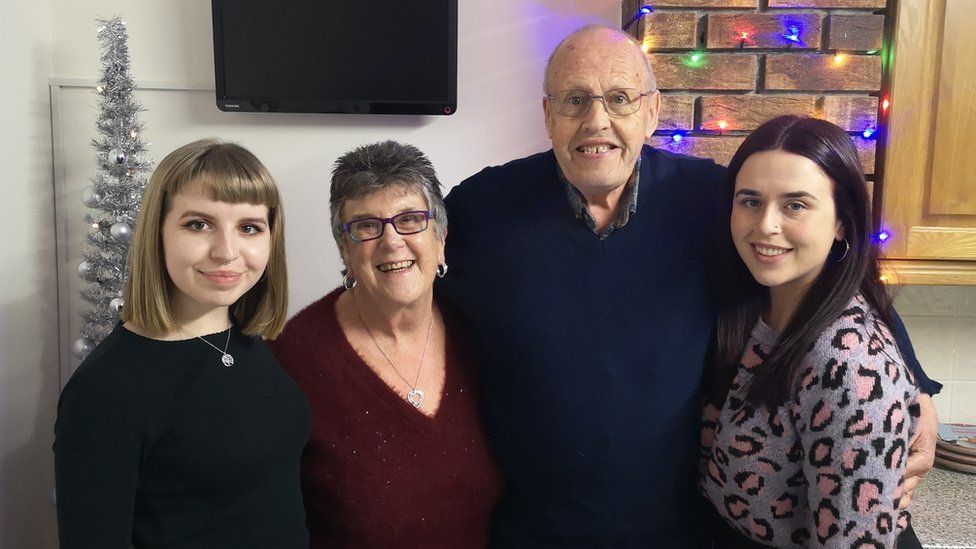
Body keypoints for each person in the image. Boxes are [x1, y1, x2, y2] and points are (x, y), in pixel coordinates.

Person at [439, 25, 940, 548]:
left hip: (684, 531)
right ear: (548, 114)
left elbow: (832, 277)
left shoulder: (709, 199)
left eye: (618, 98)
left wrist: (917, 389)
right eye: (575, 100)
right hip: (535, 533)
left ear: (652, 111)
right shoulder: (482, 210)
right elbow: (401, 276)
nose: (597, 121)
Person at [54, 139, 310, 548]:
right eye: (198, 224)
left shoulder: (244, 340)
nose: (226, 252)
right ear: (158, 233)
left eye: (249, 227)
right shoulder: (105, 390)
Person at [700, 116, 923, 548]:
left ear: (843, 221)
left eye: (795, 205)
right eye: (750, 201)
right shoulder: (753, 308)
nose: (765, 225)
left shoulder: (851, 365)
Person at [269, 140, 502, 548]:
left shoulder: (481, 332)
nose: (392, 241)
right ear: (344, 247)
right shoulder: (291, 362)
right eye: (366, 226)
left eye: (411, 219)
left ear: (441, 236)